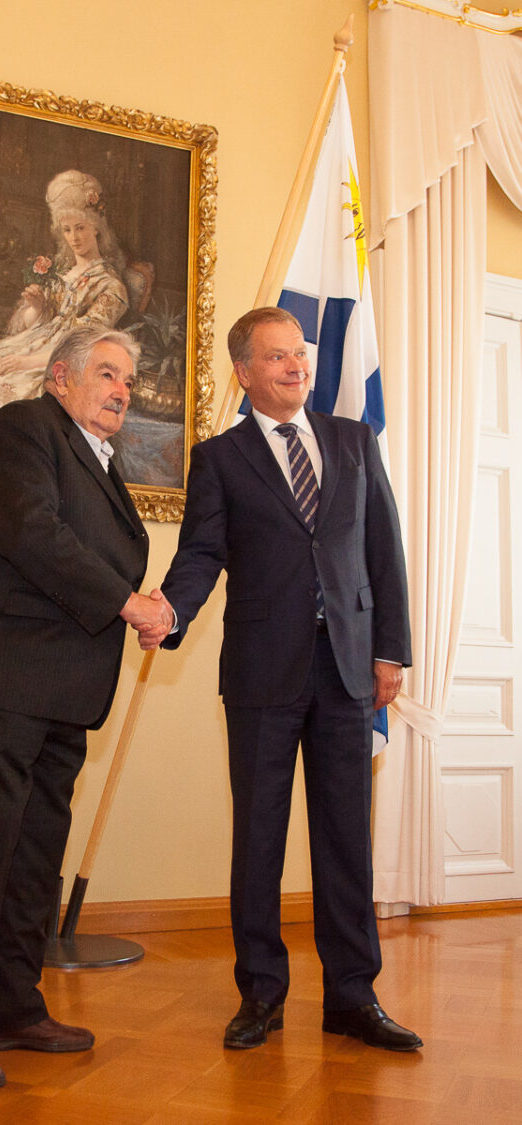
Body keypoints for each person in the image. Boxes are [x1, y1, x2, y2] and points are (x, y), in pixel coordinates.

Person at [143, 307, 422, 1053]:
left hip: (348, 672)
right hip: (264, 675)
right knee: (259, 838)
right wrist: (169, 611)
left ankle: (353, 995)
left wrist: (390, 649)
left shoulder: (354, 441)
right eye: (276, 356)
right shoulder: (222, 458)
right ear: (244, 371)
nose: (296, 365)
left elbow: (383, 551)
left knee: (344, 841)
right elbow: (202, 553)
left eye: (299, 352)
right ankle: (261, 994)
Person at [0, 324, 171, 1089]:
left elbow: (93, 551)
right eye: (105, 372)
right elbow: (35, 535)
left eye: (127, 377)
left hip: (59, 694)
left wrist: (142, 598)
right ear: (60, 377)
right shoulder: (21, 429)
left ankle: (14, 1005)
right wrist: (129, 602)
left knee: (31, 859)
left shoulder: (101, 460)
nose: (121, 388)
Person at [0, 170, 129, 409]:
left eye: (80, 228)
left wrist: (25, 363)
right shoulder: (62, 274)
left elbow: (80, 348)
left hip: (57, 366)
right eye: (67, 229)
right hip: (29, 348)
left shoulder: (111, 287)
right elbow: (35, 325)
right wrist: (37, 307)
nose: (74, 237)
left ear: (96, 228)